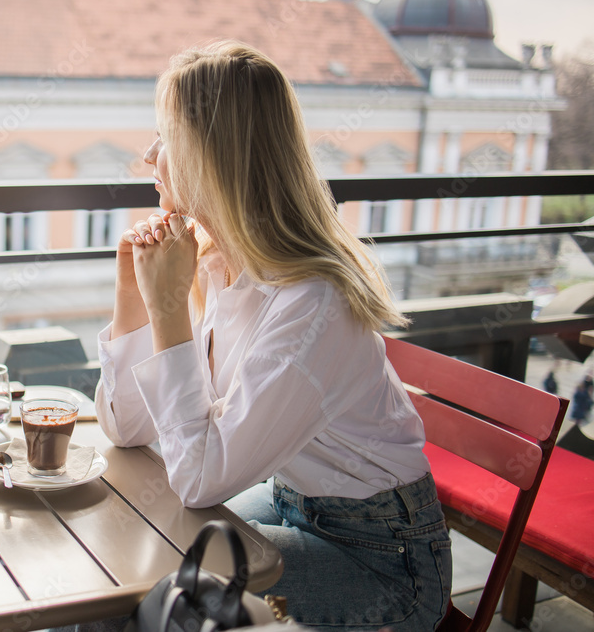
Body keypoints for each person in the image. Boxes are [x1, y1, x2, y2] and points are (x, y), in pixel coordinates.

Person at [94, 40, 451, 631]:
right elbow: (127, 429)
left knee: (164, 601)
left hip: (383, 564)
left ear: (214, 157)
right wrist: (135, 300)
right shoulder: (217, 264)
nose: (148, 155)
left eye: (167, 137)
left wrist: (168, 310)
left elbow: (200, 477)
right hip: (293, 508)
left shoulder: (312, 307)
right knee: (119, 562)